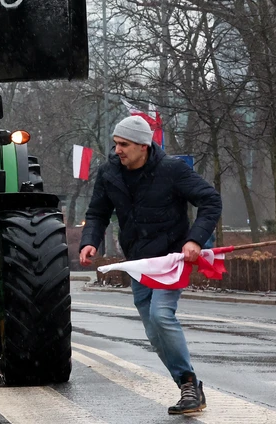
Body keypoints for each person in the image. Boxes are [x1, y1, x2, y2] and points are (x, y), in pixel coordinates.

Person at [79, 115, 221, 416]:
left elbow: (210, 200)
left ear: (144, 146)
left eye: (124, 145)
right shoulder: (109, 173)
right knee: (154, 332)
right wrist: (89, 240)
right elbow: (97, 213)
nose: (118, 150)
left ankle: (187, 384)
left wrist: (195, 240)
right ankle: (188, 384)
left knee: (161, 315)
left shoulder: (172, 170)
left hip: (170, 260)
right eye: (116, 144)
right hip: (138, 263)